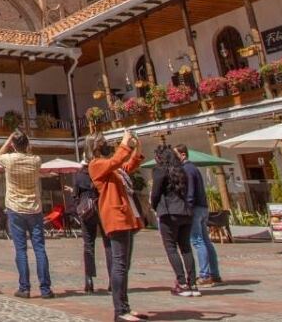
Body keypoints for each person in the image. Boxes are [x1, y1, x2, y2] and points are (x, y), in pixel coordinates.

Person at [88, 131, 147, 322]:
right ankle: (120, 310)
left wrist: (136, 147)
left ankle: (125, 306)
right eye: (104, 143)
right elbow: (116, 161)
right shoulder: (96, 165)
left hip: (126, 216)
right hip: (116, 217)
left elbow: (127, 166)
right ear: (96, 147)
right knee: (119, 265)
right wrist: (124, 143)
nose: (107, 145)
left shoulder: (112, 168)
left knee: (124, 265)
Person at [0, 129, 54, 299]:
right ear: (27, 144)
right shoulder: (36, 160)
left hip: (15, 209)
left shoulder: (9, 160)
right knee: (39, 248)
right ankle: (45, 289)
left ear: (13, 145)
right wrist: (27, 146)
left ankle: (24, 287)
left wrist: (9, 139)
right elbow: (31, 153)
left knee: (21, 250)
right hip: (34, 208)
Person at [150, 145, 199, 298]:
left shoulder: (160, 170)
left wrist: (154, 206)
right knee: (186, 248)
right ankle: (193, 284)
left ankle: (182, 283)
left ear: (159, 157)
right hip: (185, 212)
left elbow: (156, 193)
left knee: (171, 248)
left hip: (169, 212)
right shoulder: (182, 169)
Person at [176, 144, 222, 287]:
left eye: (176, 155)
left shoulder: (187, 169)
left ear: (183, 155)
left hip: (195, 209)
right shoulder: (194, 168)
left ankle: (205, 275)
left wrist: (187, 209)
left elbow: (190, 192)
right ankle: (214, 273)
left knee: (197, 241)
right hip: (202, 207)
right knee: (206, 241)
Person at [71, 148, 112, 294]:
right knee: (109, 245)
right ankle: (113, 280)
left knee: (88, 245)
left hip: (87, 210)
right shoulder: (102, 172)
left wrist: (79, 207)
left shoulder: (79, 175)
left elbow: (75, 195)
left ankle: (89, 280)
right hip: (103, 208)